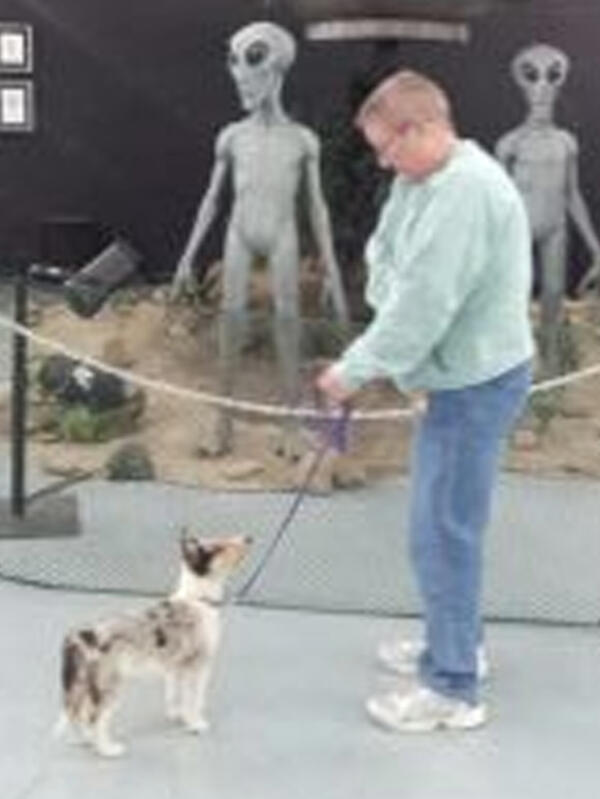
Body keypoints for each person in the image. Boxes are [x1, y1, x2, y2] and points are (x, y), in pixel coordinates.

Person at [317, 70, 535, 732]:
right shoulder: (420, 182)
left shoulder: (466, 192)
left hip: (475, 386)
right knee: (444, 527)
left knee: (441, 532)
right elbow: (384, 257)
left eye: (387, 148)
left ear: (420, 129)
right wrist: (397, 332)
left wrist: (354, 371)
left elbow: (422, 304)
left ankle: (452, 687)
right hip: (453, 379)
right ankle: (459, 643)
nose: (384, 163)